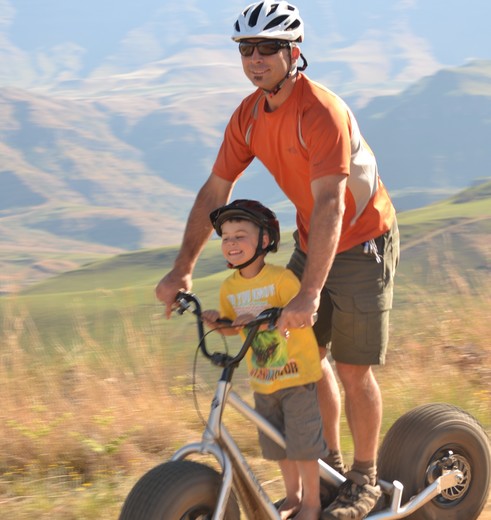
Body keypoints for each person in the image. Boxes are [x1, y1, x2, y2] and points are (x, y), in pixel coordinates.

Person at [156, 2, 399, 519]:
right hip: (313, 240)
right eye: (247, 48)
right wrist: (182, 268)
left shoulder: (320, 111)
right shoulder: (247, 116)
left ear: (294, 53)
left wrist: (309, 294)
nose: (256, 58)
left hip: (362, 239)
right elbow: (215, 191)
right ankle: (327, 465)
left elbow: (333, 202)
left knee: (353, 370)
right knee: (304, 362)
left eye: (269, 48)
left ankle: (364, 479)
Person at [201, 199, 327, 520]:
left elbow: (302, 316)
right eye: (226, 238)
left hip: (296, 375)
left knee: (303, 444)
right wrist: (219, 322)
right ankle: (293, 496)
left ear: (264, 241)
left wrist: (268, 318)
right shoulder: (229, 287)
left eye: (240, 235)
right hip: (263, 379)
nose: (231, 243)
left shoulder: (281, 280)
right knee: (277, 444)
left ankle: (312, 503)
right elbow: (234, 327)